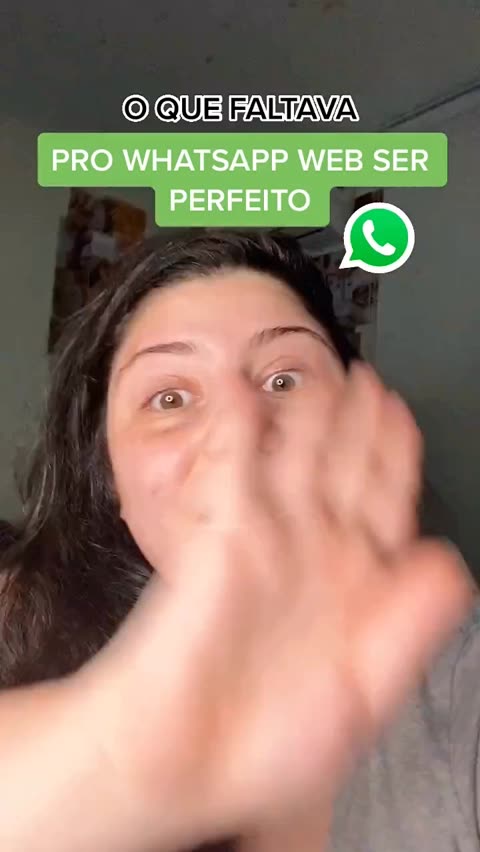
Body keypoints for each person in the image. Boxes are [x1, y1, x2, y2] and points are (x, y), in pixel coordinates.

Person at [0, 230, 474, 852]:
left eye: (284, 381)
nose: (241, 426)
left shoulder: (458, 677)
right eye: (170, 397)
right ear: (110, 477)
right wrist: (109, 761)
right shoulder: (16, 625)